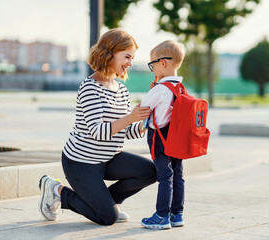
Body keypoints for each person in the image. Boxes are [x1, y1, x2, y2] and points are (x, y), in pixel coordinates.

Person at [38, 29, 156, 226]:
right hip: (81, 162)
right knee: (106, 218)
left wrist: (145, 122)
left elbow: (125, 131)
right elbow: (98, 132)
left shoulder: (122, 90)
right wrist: (130, 118)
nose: (130, 63)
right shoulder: (89, 87)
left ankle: (110, 203)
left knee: (151, 171)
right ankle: (56, 190)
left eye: (132, 58)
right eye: (127, 56)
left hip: (109, 158)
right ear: (109, 53)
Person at [140, 40, 185, 229]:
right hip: (177, 137)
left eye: (153, 65)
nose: (152, 69)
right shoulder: (181, 88)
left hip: (160, 136)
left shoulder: (160, 89)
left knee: (164, 176)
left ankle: (161, 216)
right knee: (178, 174)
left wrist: (154, 91)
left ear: (163, 63)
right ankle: (177, 214)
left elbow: (143, 108)